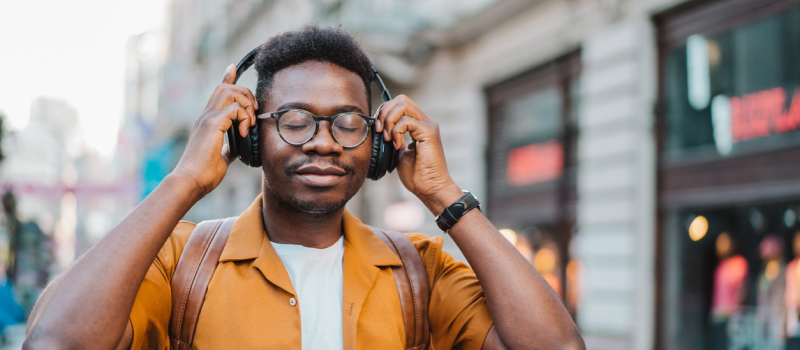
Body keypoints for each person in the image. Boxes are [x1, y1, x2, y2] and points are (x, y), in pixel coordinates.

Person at [22, 26, 584, 350]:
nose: (323, 141)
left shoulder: (423, 269)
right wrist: (184, 181)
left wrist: (445, 196)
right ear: (248, 135)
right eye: (294, 119)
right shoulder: (180, 261)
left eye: (347, 121)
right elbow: (55, 343)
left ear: (379, 143)